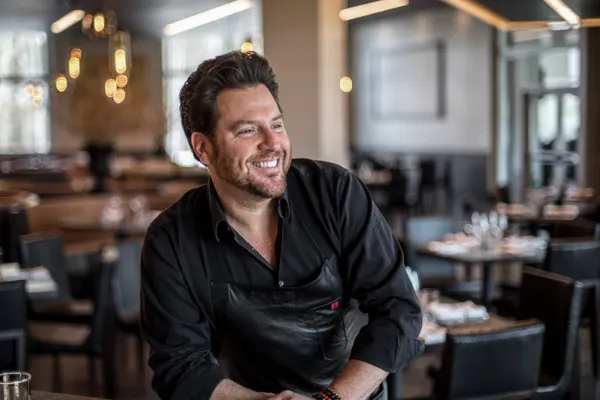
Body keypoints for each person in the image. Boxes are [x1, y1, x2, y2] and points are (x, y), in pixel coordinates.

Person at [140, 50, 423, 400]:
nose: (274, 143)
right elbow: (180, 366)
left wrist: (330, 399)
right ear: (203, 148)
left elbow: (398, 311)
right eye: (248, 130)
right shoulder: (171, 239)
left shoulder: (335, 193)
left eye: (276, 124)